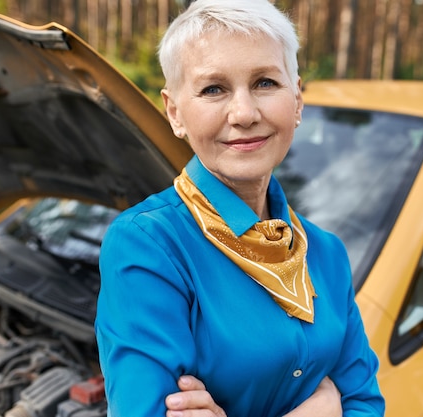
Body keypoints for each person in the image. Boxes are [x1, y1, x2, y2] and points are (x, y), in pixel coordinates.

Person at [94, 0, 385, 416]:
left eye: (266, 82)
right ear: (174, 112)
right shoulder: (149, 246)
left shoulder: (327, 253)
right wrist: (321, 409)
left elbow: (366, 404)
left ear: (297, 99)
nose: (245, 113)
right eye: (214, 89)